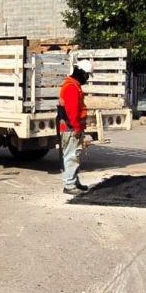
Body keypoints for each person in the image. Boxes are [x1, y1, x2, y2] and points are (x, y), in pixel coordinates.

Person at [59, 59, 93, 195]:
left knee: (75, 155)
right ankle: (69, 185)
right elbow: (72, 111)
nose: (87, 78)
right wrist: (77, 129)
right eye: (87, 75)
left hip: (71, 127)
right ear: (82, 73)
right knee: (71, 156)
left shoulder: (74, 85)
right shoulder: (72, 87)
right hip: (71, 128)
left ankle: (74, 181)